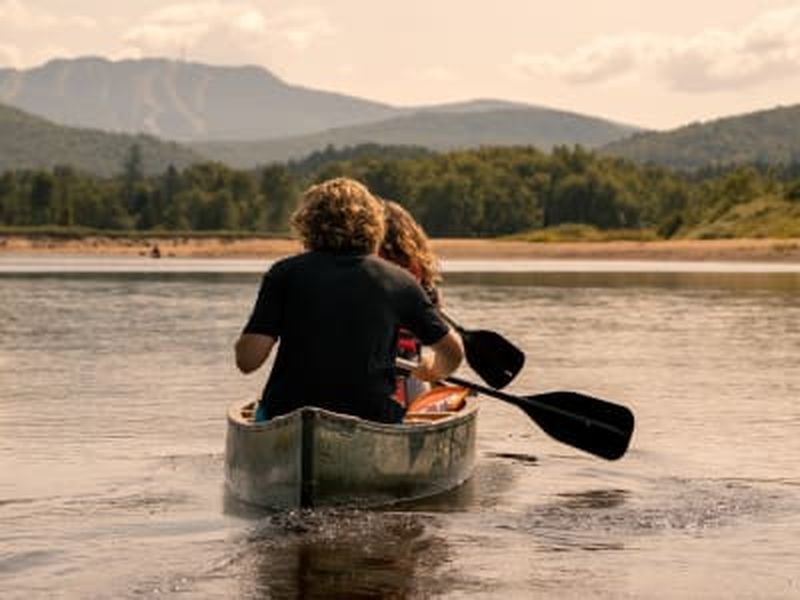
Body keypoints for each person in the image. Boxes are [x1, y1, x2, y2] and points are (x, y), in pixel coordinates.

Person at [235, 177, 463, 424]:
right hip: (373, 415)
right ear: (374, 225)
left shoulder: (283, 274)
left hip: (288, 410)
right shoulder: (400, 281)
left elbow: (247, 361)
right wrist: (432, 369)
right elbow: (453, 354)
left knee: (267, 412)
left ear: (307, 224)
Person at [378, 200, 443, 406]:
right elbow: (436, 340)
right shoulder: (424, 283)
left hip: (389, 374)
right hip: (411, 373)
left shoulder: (365, 271)